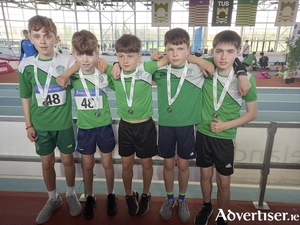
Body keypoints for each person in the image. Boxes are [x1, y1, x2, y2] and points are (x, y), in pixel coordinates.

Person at [150, 28, 251, 223]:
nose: (176, 53)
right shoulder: (160, 69)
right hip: (166, 126)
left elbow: (228, 57)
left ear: (188, 49)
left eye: (181, 49)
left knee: (184, 164)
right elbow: (139, 68)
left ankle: (182, 199)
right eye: (171, 49)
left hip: (188, 127)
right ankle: (170, 198)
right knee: (169, 164)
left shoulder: (198, 69)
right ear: (165, 49)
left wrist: (242, 73)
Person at [18, 15, 82, 224]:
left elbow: (84, 62)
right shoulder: (26, 66)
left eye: (47, 35)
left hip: (63, 124)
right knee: (46, 163)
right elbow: (25, 96)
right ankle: (52, 198)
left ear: (56, 38)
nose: (43, 41)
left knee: (67, 160)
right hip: (41, 125)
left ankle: (71, 194)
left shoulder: (67, 61)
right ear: (31, 39)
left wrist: (69, 71)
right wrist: (28, 124)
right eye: (37, 36)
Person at [193, 30, 257, 225]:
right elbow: (182, 56)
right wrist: (200, 61)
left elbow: (252, 113)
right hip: (203, 133)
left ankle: (223, 213)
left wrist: (225, 125)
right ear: (212, 51)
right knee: (204, 175)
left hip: (225, 137)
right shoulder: (206, 68)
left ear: (238, 52)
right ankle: (206, 206)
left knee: (223, 182)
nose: (223, 56)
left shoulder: (246, 81)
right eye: (219, 51)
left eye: (230, 52)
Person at [69, 30, 117, 219]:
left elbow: (120, 79)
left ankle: (111, 194)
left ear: (97, 53)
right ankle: (90, 196)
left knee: (107, 162)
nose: (85, 59)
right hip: (85, 128)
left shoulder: (104, 73)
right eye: (80, 54)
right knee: (87, 165)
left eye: (90, 54)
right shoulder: (73, 76)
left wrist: (110, 63)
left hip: (104, 125)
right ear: (74, 54)